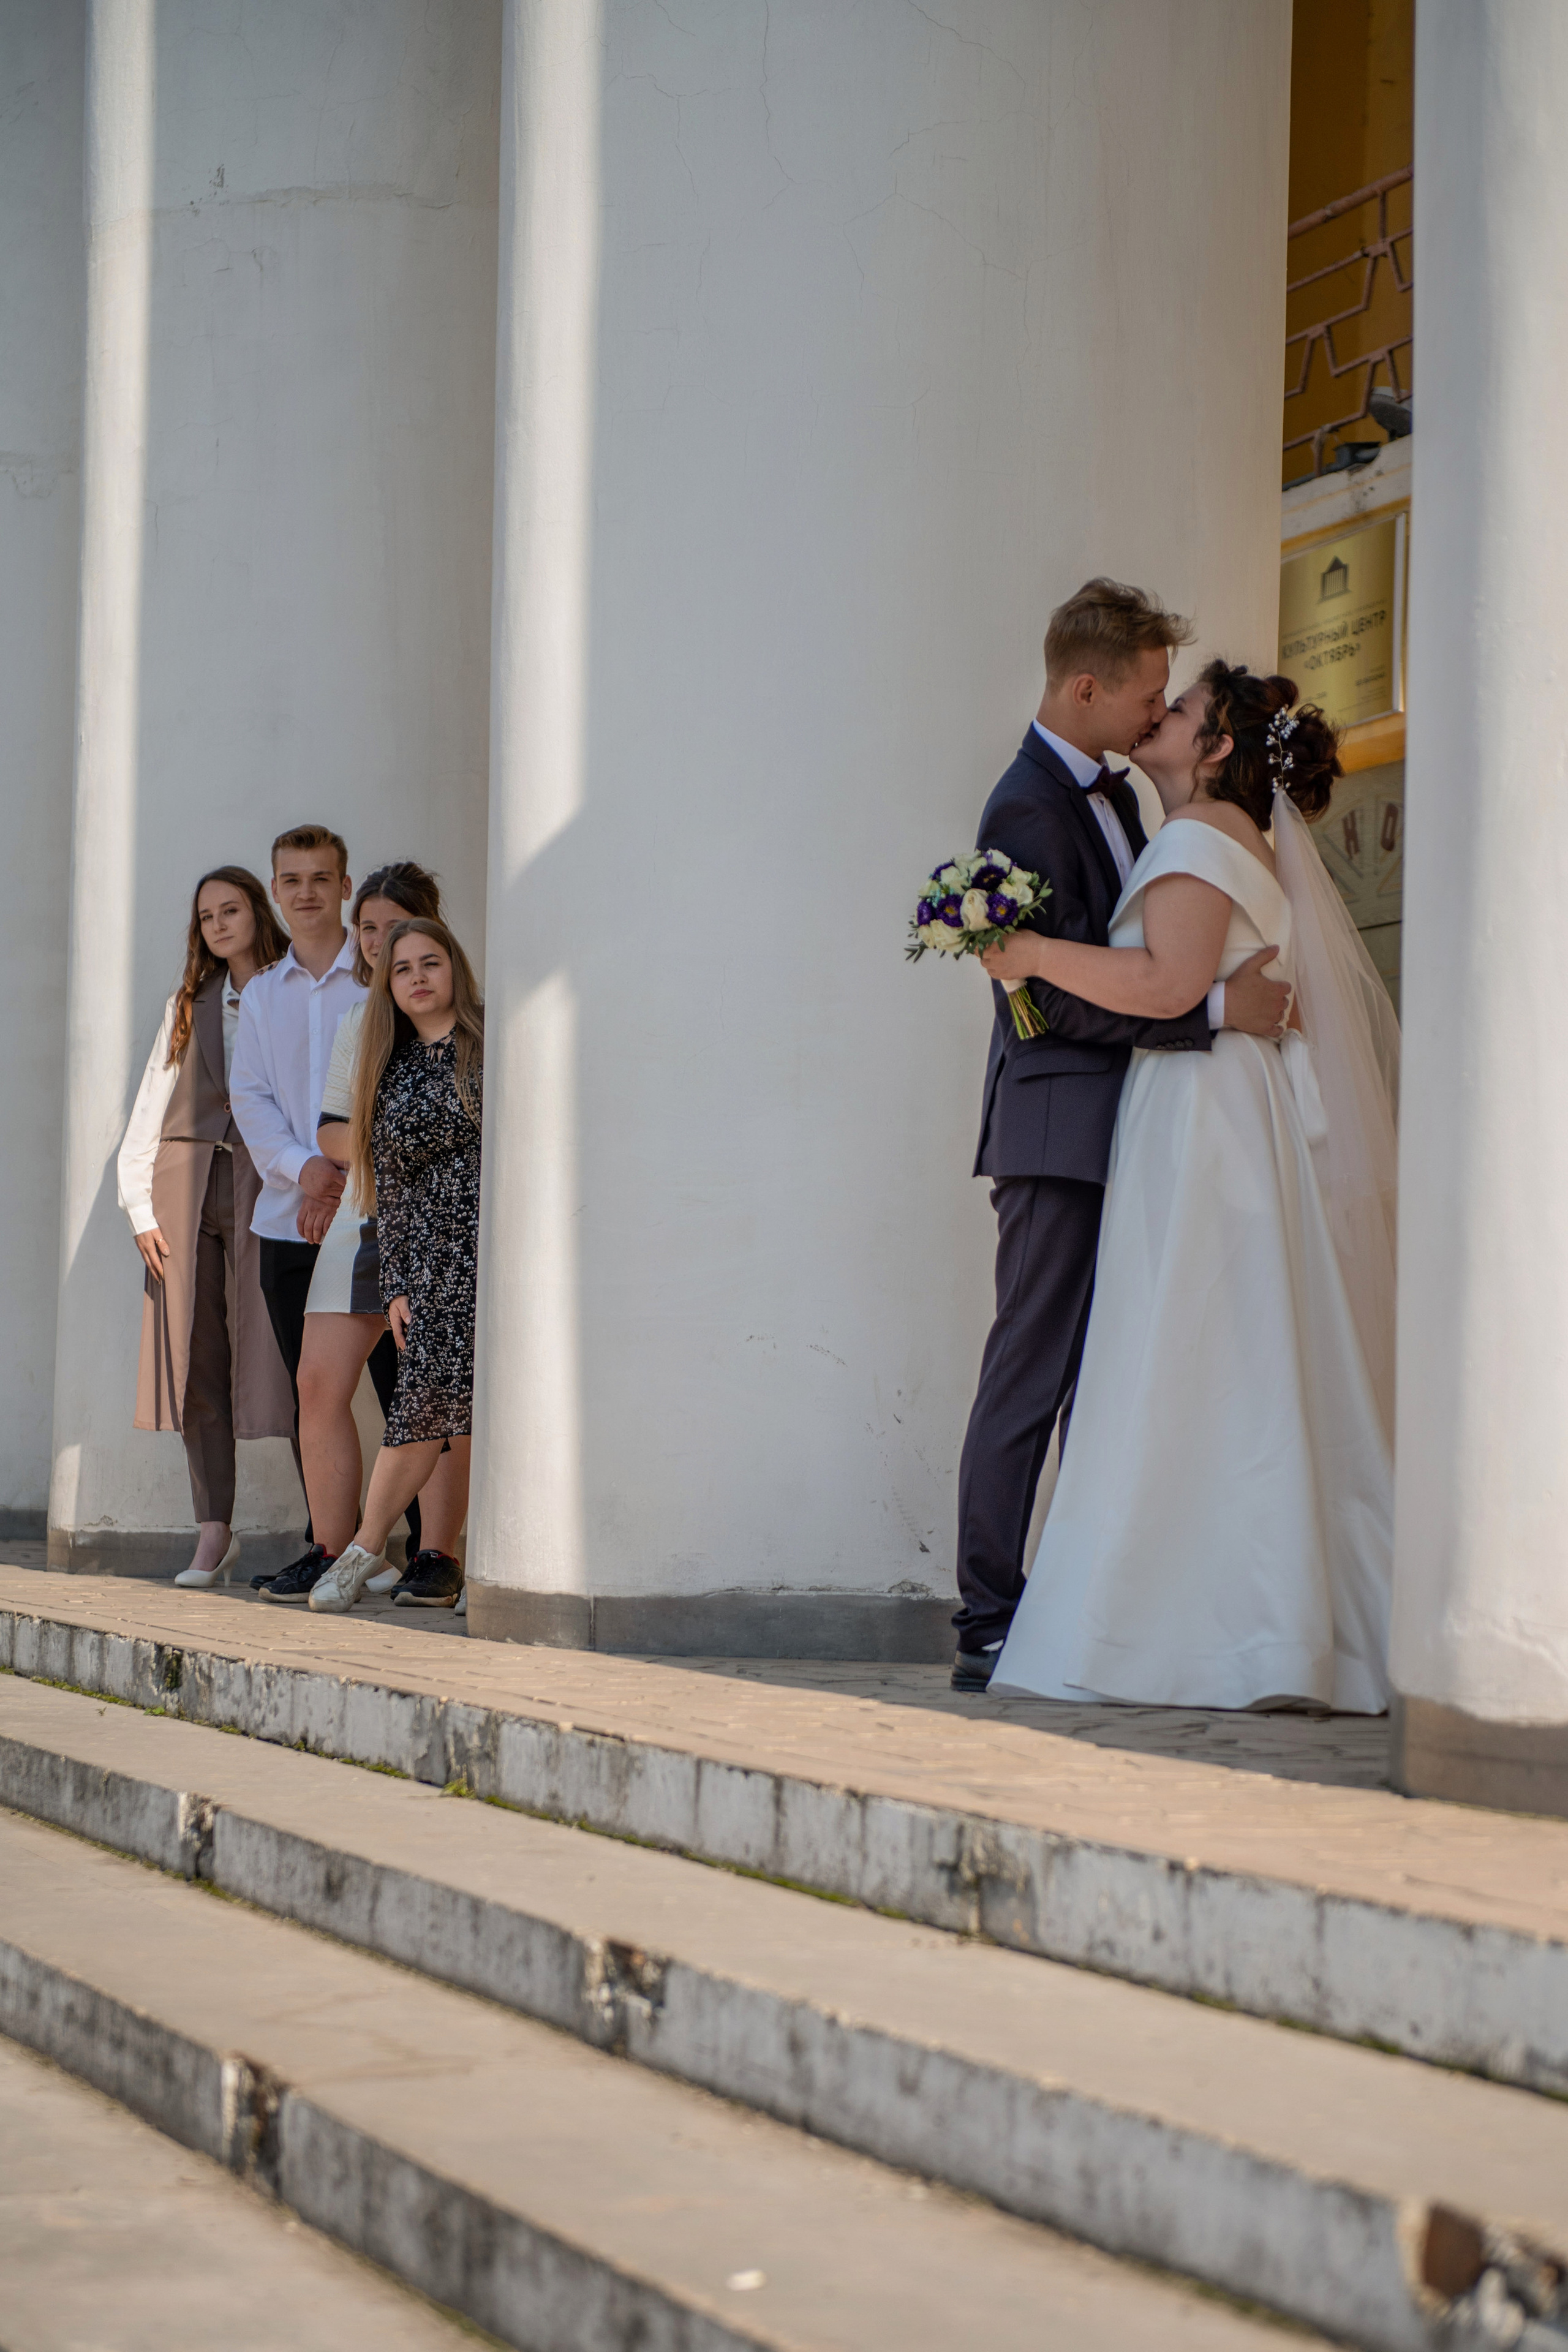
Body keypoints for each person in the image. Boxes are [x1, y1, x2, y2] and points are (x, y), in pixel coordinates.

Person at [984, 661, 1398, 1712]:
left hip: (1202, 1117)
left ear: (1215, 749)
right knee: (1231, 1355)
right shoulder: (1223, 836)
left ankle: (1203, 1622)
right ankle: (1267, 1617)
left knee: (1189, 1345)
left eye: (1181, 710)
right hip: (1221, 1109)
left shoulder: (1198, 835)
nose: (1159, 715)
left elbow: (1167, 985)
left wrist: (1027, 950)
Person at [951, 580, 1293, 1691]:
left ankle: (1084, 1605)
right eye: (1145, 694)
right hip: (1059, 1131)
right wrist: (1205, 1011)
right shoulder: (1027, 807)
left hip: (1136, 1130)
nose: (1155, 715)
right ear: (1086, 687)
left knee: (1111, 1385)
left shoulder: (1131, 802)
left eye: (1169, 701)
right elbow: (1042, 1000)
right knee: (1029, 1377)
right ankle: (988, 1619)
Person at [116, 868, 296, 1585]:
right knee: (196, 1361)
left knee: (288, 1354)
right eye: (207, 917)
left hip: (269, 1183)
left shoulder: (291, 992)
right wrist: (137, 1207)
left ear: (257, 911)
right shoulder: (188, 1003)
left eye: (232, 910)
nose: (220, 925)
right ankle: (213, 1531)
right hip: (185, 1185)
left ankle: (329, 1528)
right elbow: (149, 1103)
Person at [298, 862, 470, 1602]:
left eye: (399, 933)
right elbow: (339, 1132)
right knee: (329, 1382)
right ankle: (343, 1547)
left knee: (443, 1390)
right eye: (368, 931)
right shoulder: (366, 1033)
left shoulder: (479, 1042)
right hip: (386, 1222)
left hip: (463, 1235)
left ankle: (432, 1553)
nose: (378, 944)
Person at [227, 824, 362, 1600]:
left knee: (397, 1384)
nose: (306, 891)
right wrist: (305, 1169)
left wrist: (343, 1177)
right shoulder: (262, 994)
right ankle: (326, 1543)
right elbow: (250, 1098)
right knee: (311, 1393)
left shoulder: (374, 979)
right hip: (287, 1219)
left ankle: (407, 1550)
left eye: (321, 877)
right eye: (292, 879)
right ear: (276, 892)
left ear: (344, 887)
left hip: (368, 1215)